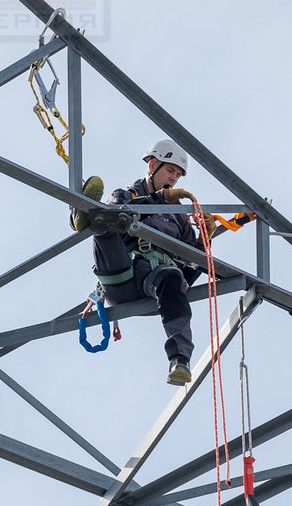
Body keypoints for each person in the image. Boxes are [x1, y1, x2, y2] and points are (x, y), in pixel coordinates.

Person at [69, 139, 216, 386]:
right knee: (107, 221)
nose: (174, 178)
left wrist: (204, 241)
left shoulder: (178, 217)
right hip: (121, 276)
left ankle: (179, 359)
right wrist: (158, 199)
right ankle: (82, 214)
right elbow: (122, 210)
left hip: (156, 285)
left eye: (178, 175)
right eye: (170, 170)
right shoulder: (126, 196)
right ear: (152, 165)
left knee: (175, 276)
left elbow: (190, 265)